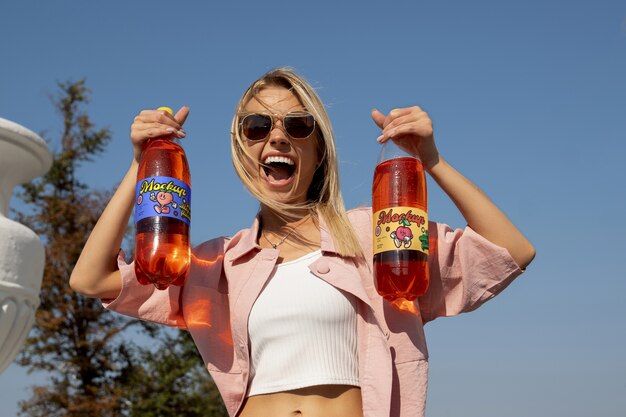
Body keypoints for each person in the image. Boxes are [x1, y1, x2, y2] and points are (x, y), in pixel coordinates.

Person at [70, 67, 535, 417]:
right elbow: (91, 278)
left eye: (297, 126)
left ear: (318, 151)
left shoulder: (377, 233)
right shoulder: (219, 263)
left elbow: (511, 250)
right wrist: (142, 164)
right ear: (242, 149)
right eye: (257, 126)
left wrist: (430, 159)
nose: (277, 136)